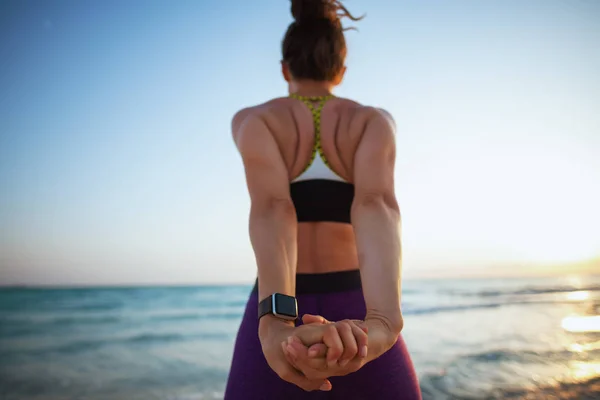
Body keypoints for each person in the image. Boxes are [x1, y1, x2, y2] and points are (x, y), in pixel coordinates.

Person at [224, 0, 421, 398]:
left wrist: (276, 323)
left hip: (277, 299)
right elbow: (375, 206)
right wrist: (383, 321)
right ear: (341, 70)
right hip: (357, 302)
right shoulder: (371, 121)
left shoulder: (255, 120)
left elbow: (273, 208)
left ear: (285, 67)